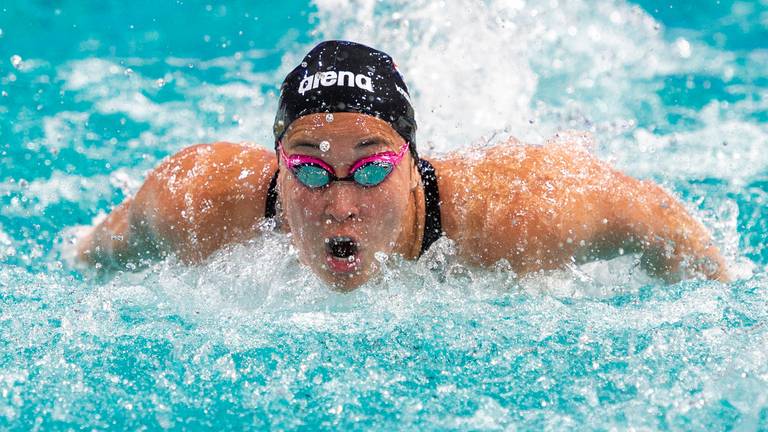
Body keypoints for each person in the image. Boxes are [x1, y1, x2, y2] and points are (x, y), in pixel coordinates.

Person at [75, 40, 729, 290]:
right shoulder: (196, 200)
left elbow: (668, 225)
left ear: (412, 165)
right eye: (307, 170)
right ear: (277, 161)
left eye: (369, 170)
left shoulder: (520, 217)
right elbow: (92, 257)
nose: (339, 204)